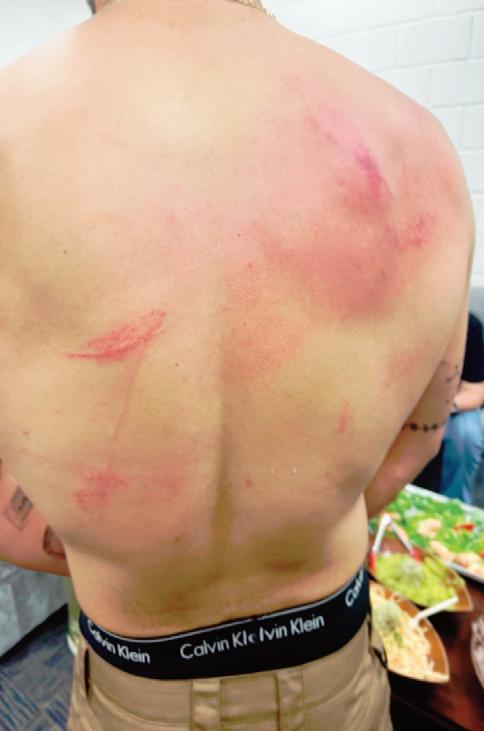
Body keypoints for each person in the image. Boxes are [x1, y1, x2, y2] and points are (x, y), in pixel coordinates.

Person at [0, 1, 474, 729]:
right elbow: (414, 445)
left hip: (140, 688)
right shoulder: (420, 146)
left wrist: (125, 551)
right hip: (333, 672)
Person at [440, 312, 484, 504]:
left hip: (452, 404)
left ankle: (453, 503)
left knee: (467, 436)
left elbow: (475, 391)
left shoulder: (470, 326)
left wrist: (442, 408)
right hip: (404, 402)